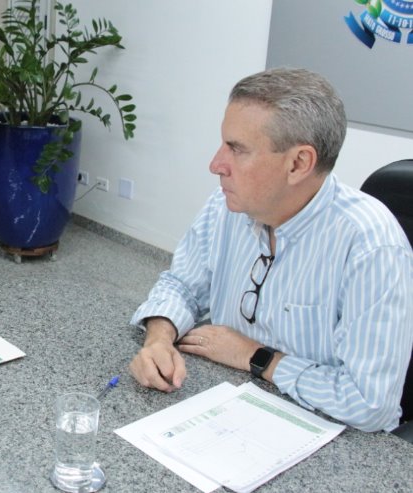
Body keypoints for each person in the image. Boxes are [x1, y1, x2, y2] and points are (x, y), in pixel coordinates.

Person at [129, 67, 413, 432]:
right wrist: (159, 338)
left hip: (330, 436)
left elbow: (368, 403)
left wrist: (256, 356)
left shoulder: (371, 246)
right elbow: (181, 285)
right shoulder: (226, 207)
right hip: (231, 405)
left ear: (298, 164)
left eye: (237, 149)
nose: (216, 164)